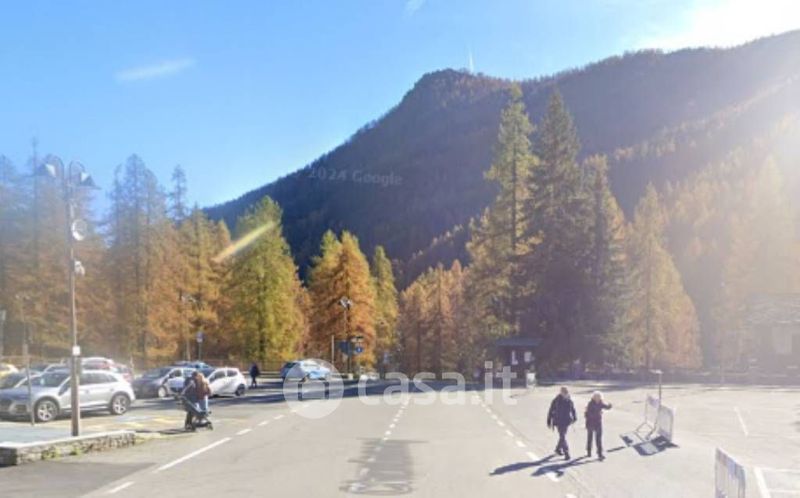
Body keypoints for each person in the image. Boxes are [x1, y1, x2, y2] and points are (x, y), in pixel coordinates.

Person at [547, 386, 577, 460]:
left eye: (566, 392)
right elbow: (551, 410)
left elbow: (573, 409)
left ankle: (558, 449)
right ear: (561, 392)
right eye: (564, 392)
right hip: (558, 420)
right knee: (562, 436)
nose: (565, 393)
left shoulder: (569, 400)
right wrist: (549, 420)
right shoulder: (556, 400)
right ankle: (566, 452)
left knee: (562, 436)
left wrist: (574, 417)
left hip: (566, 421)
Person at [585, 390, 612, 460]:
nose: (598, 398)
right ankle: (589, 451)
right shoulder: (590, 404)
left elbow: (606, 407)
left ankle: (600, 454)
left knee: (598, 439)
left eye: (599, 397)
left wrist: (609, 405)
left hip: (598, 423)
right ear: (593, 397)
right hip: (590, 423)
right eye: (596, 397)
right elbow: (588, 414)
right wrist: (598, 413)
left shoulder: (600, 403)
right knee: (590, 438)